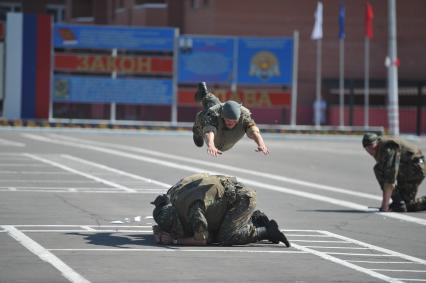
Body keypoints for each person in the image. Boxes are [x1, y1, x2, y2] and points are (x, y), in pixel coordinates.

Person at [151, 173, 290, 247]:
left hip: (242, 199)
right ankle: (254, 219)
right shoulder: (173, 194)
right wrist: (160, 231)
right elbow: (163, 221)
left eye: (172, 227)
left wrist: (174, 241)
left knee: (225, 237)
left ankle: (266, 231)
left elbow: (202, 240)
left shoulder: (193, 211)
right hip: (228, 196)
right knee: (210, 227)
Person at [192, 82, 269, 157]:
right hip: (208, 125)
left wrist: (261, 144)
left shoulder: (244, 117)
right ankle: (204, 94)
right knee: (209, 105)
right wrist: (211, 145)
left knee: (213, 102)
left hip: (225, 141)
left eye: (234, 121)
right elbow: (209, 132)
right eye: (228, 120)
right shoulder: (214, 115)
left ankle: (205, 94)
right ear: (223, 116)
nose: (231, 123)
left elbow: (254, 132)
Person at [362, 133, 426, 212]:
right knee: (404, 205)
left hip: (414, 169)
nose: (370, 150)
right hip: (406, 169)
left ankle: (398, 203)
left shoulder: (388, 148)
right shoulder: (378, 149)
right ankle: (398, 202)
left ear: (377, 142)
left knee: (407, 205)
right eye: (367, 148)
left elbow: (390, 178)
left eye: (372, 146)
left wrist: (384, 206)